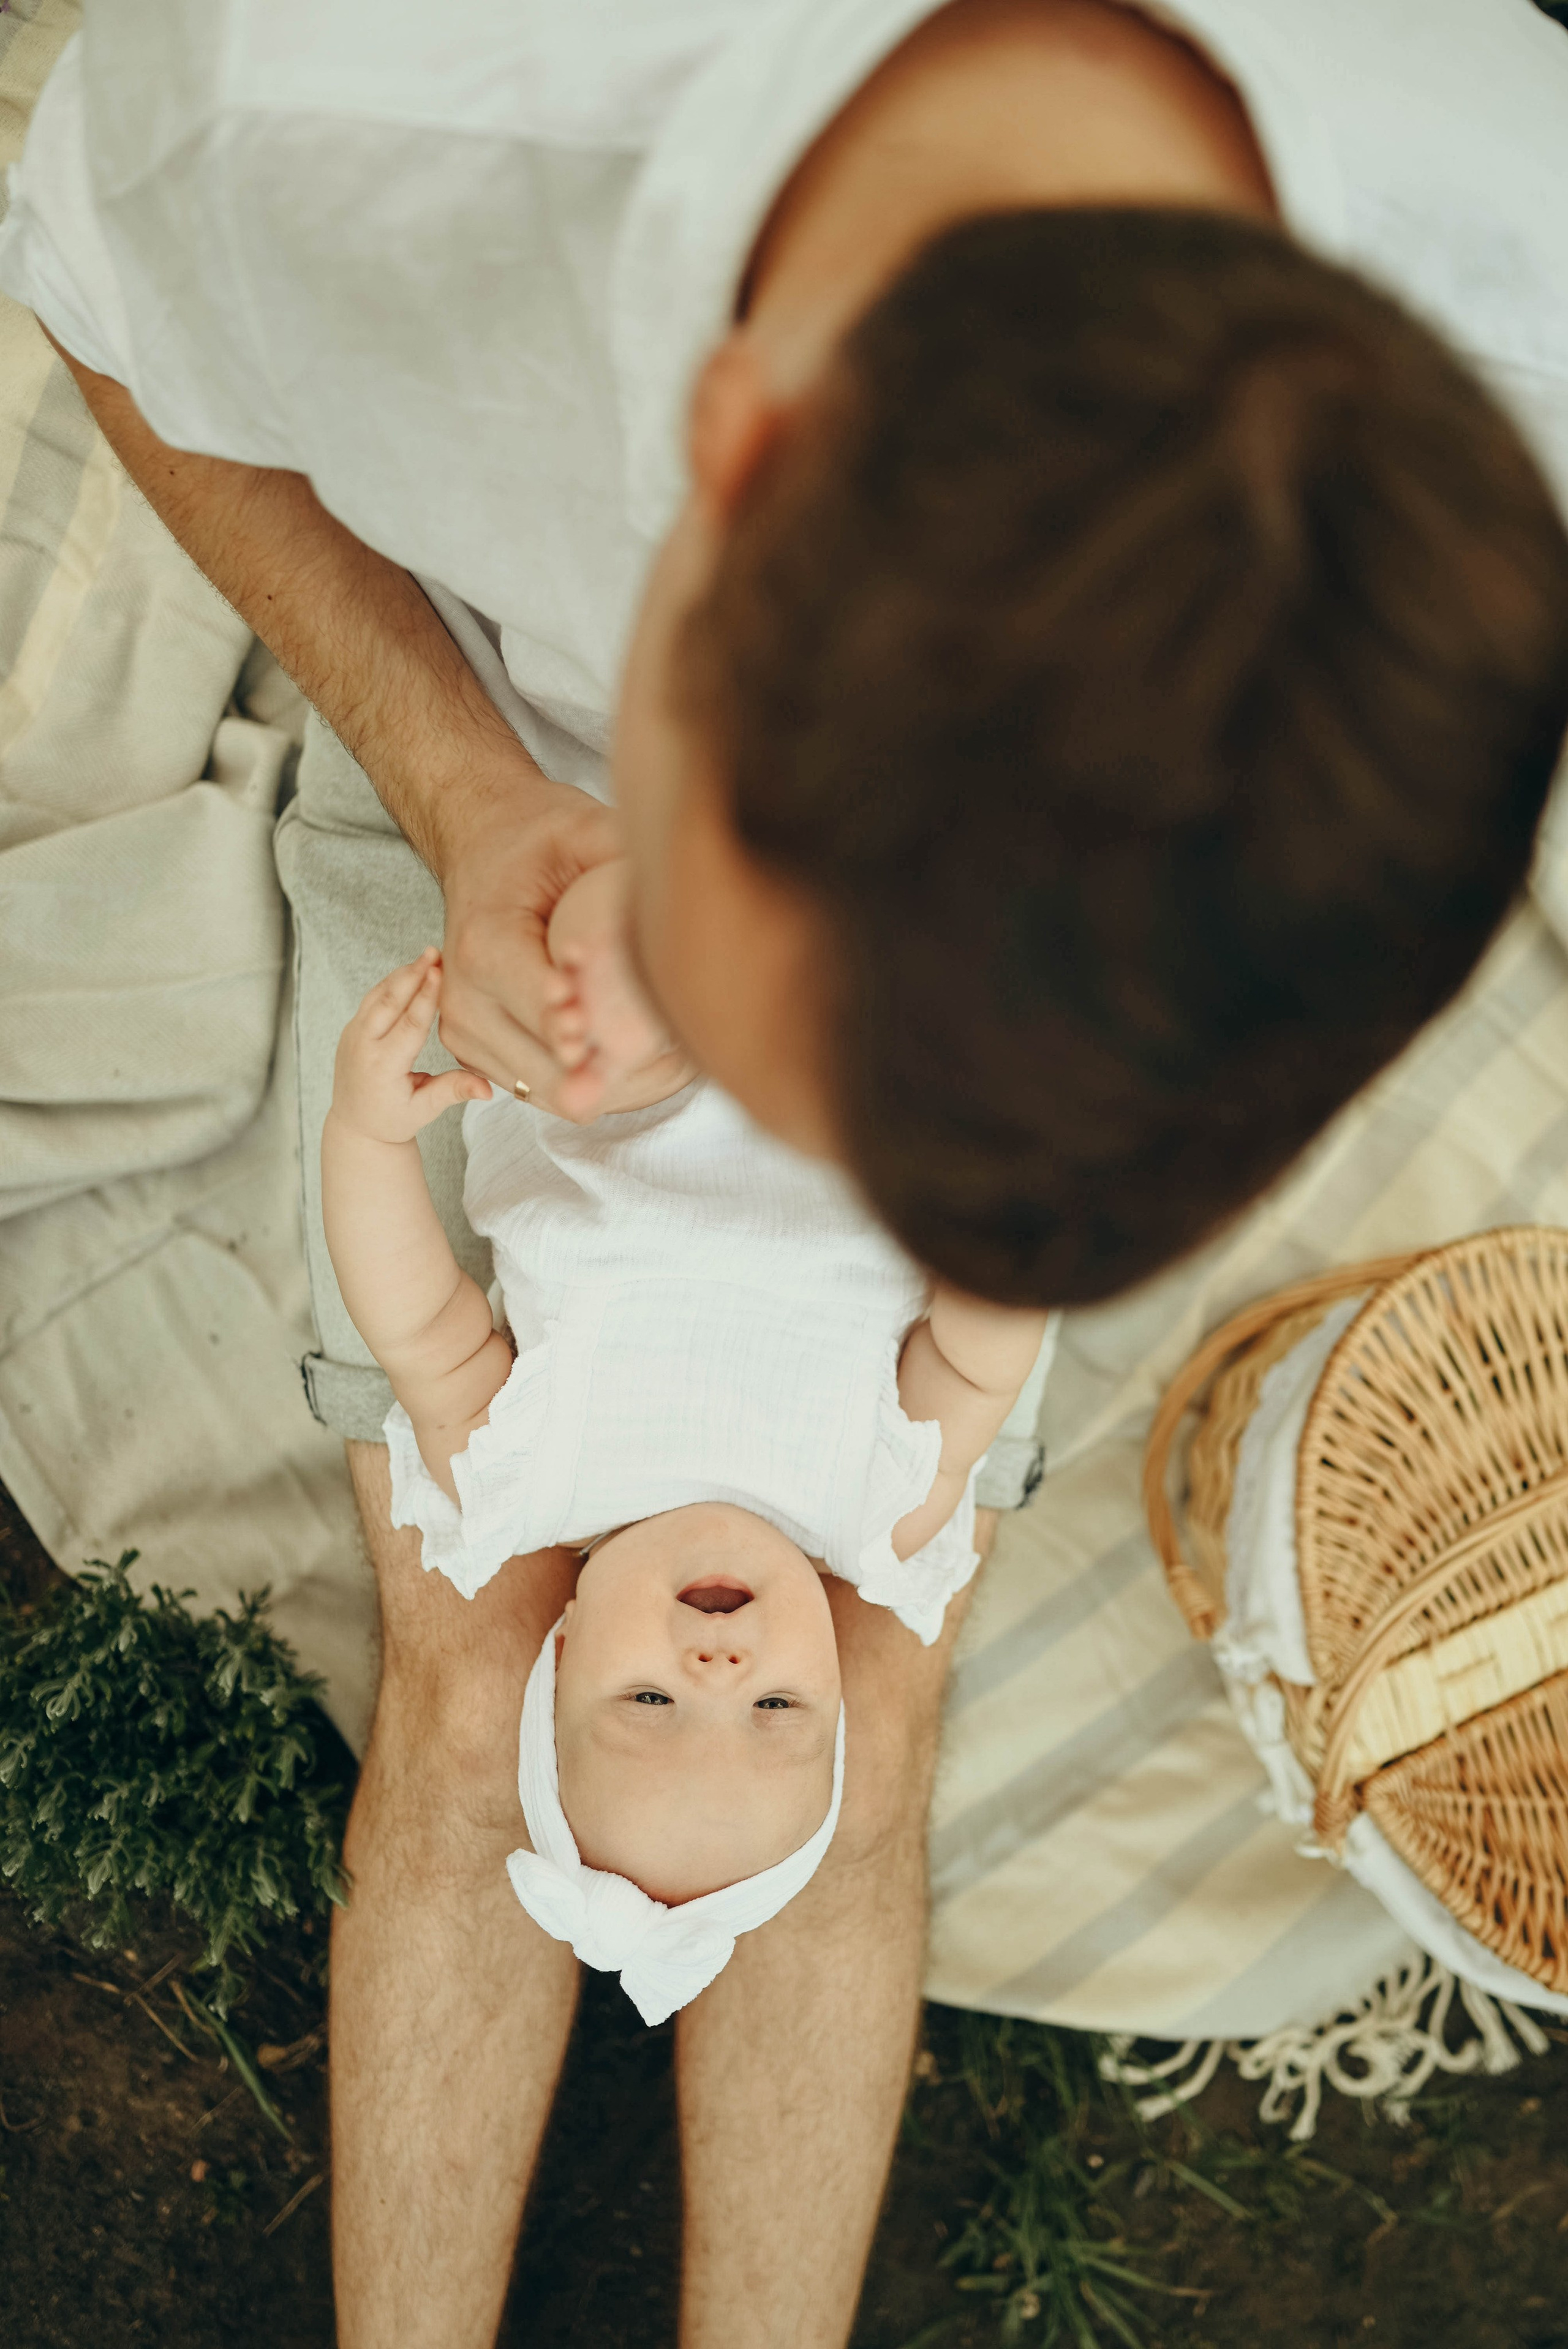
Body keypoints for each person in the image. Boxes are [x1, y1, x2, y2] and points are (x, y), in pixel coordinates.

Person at [5, 2, 1568, 2342]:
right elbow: (113, 312)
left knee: (872, 1692)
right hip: (500, 783)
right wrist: (470, 797)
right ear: (720, 464)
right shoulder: (336, 101)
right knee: (479, 1662)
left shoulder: (1529, 309)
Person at [320, 930, 1046, 2013]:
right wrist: (1012, 1214)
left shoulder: (521, 1480)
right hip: (866, 1049)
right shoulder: (878, 1518)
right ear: (837, 1684)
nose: (718, 1669)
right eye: (778, 1705)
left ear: (562, 1651)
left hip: (610, 1023)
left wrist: (369, 1135)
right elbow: (976, 1365)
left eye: (652, 1699)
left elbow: (416, 1323)